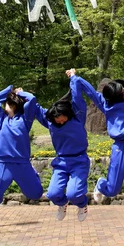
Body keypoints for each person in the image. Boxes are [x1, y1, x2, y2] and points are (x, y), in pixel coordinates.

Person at [70, 56, 124, 206]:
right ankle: (100, 184)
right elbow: (90, 91)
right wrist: (75, 77)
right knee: (111, 190)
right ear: (115, 97)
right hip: (119, 148)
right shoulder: (107, 105)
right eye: (122, 92)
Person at [35, 73, 90, 222]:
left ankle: (82, 204)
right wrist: (21, 94)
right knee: (53, 194)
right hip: (61, 162)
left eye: (61, 119)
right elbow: (36, 107)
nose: (59, 122)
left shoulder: (78, 116)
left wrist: (73, 77)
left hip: (79, 160)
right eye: (56, 120)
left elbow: (77, 96)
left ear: (66, 113)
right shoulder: (51, 122)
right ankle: (62, 203)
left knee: (74, 194)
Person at [0, 86, 43, 207]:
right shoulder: (1, 118)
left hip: (22, 164)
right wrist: (9, 90)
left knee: (36, 194)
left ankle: (33, 173)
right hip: (3, 164)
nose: (4, 106)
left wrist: (21, 93)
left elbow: (32, 99)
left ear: (13, 106)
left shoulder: (25, 119)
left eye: (7, 104)